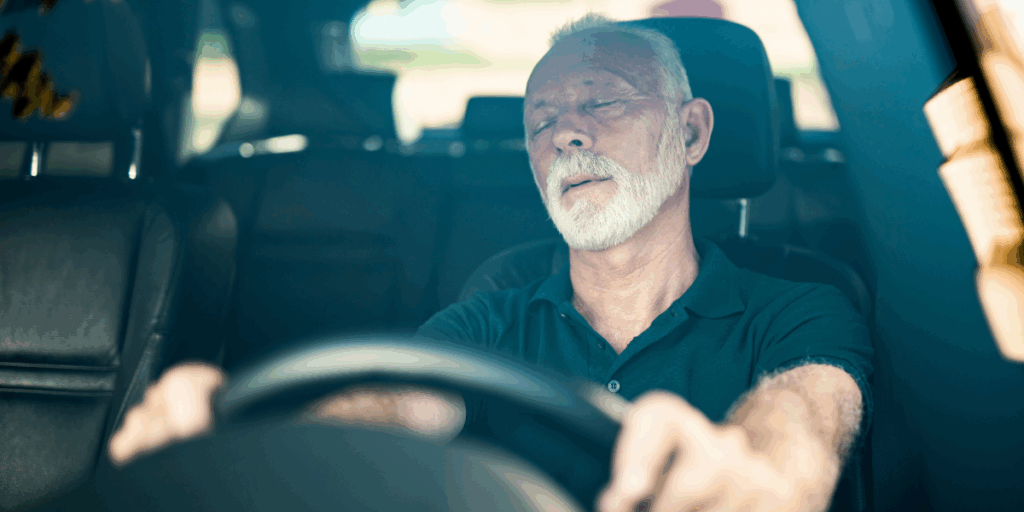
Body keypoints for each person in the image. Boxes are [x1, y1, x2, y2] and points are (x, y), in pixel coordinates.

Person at [109, 14, 873, 512]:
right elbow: (392, 403)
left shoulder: (802, 306)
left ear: (693, 133)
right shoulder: (492, 314)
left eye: (601, 103)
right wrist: (264, 452)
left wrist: (753, 469)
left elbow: (806, 416)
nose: (566, 134)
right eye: (540, 121)